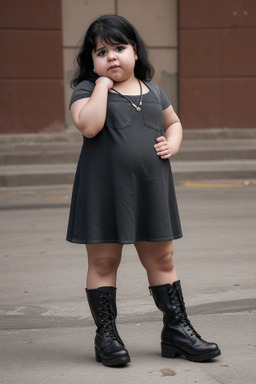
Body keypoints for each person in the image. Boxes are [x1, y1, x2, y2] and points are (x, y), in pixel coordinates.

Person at [67, 14, 221, 367]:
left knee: (163, 259)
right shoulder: (87, 91)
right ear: (91, 61)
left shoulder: (153, 91)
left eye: (119, 48)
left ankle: (177, 330)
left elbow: (174, 122)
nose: (111, 57)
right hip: (104, 192)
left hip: (151, 189)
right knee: (104, 261)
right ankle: (106, 336)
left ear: (135, 51)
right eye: (101, 52)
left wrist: (173, 142)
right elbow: (89, 127)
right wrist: (102, 86)